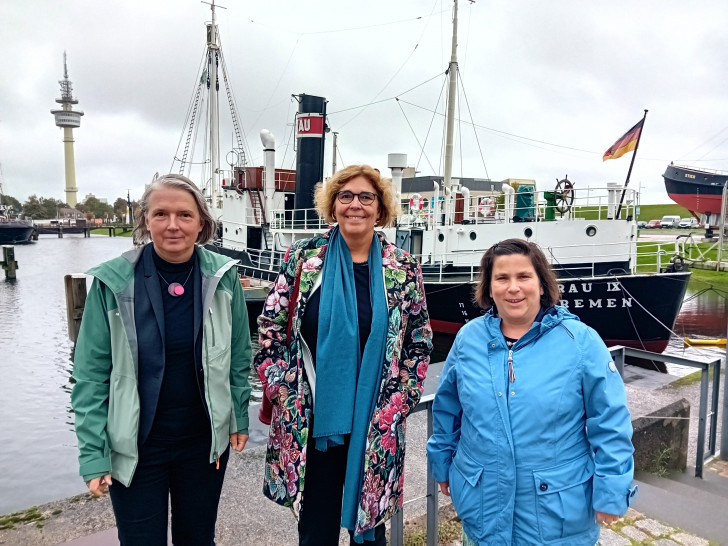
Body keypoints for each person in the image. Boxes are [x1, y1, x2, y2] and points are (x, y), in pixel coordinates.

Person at [255, 164, 433, 545]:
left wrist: (397, 403)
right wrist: (284, 391)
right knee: (315, 530)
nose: (356, 204)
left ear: (380, 208)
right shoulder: (303, 259)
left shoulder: (402, 268)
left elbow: (419, 343)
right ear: (332, 205)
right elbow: (270, 330)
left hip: (374, 424)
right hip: (312, 421)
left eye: (366, 197)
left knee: (370, 530)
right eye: (345, 195)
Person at [71, 174, 252, 545]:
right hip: (136, 446)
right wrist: (93, 453)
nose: (173, 225)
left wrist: (238, 415)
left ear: (201, 223)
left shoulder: (222, 277)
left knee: (198, 538)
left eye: (184, 215)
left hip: (202, 443)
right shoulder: (112, 283)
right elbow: (90, 376)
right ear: (146, 221)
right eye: (161, 214)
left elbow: (237, 357)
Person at [426, 238, 636, 545]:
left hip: (555, 518)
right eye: (502, 278)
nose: (513, 288)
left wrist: (612, 490)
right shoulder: (468, 338)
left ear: (541, 284)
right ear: (489, 287)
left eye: (524, 276)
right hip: (483, 507)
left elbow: (610, 421)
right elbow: (448, 408)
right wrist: (442, 464)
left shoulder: (581, 342)